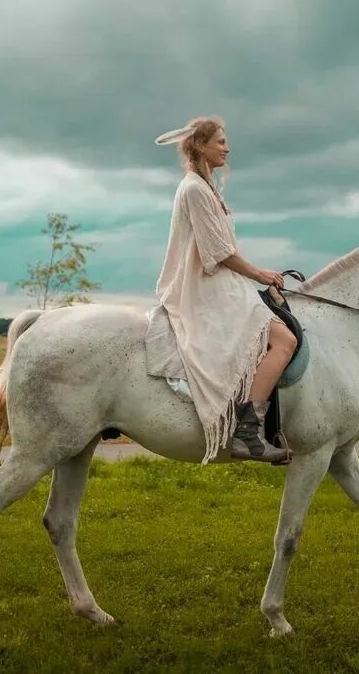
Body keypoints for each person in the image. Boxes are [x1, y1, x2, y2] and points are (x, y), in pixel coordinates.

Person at [154, 116, 296, 465]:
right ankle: (248, 433)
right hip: (207, 286)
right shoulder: (194, 189)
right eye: (219, 141)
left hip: (223, 281)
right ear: (200, 145)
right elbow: (218, 253)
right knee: (285, 341)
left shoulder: (207, 188)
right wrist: (259, 274)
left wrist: (258, 278)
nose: (227, 147)